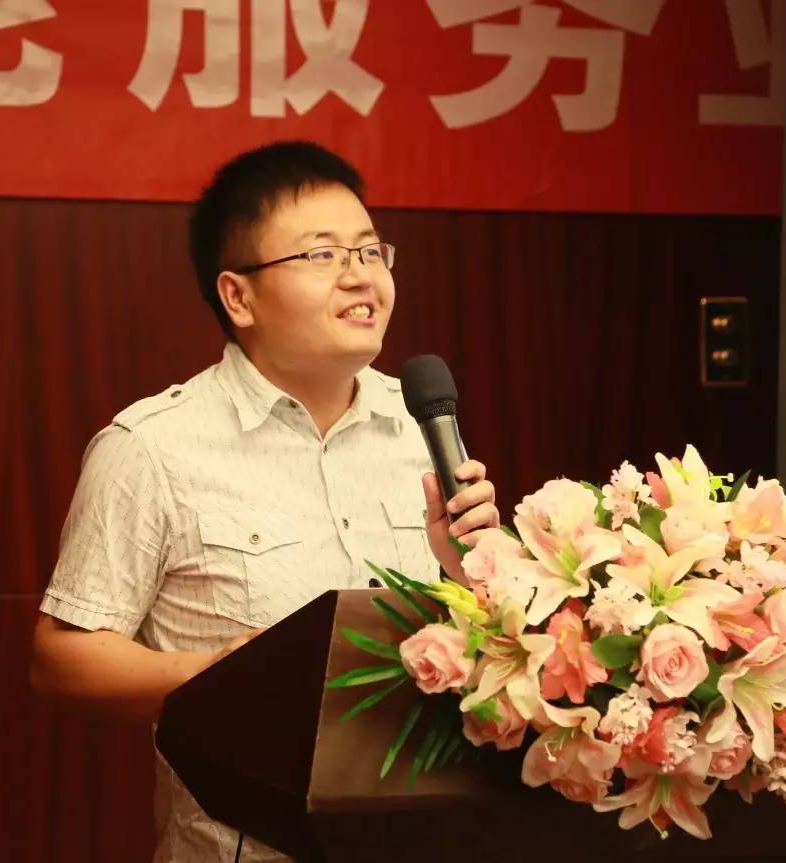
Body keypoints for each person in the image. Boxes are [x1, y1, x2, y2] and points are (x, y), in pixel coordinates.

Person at [29, 141, 500, 862]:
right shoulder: (152, 446)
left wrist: (474, 574)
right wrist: (222, 675)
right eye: (322, 254)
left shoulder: (421, 426)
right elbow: (62, 660)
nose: (360, 275)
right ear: (238, 297)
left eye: (370, 251)